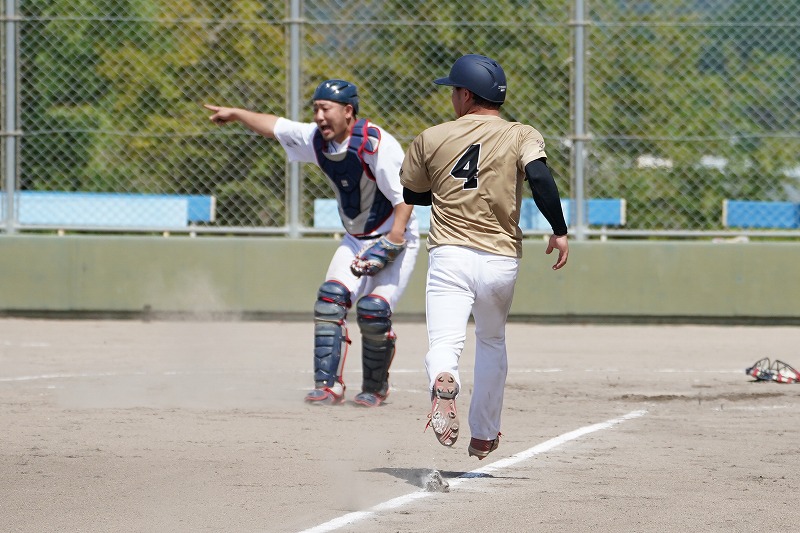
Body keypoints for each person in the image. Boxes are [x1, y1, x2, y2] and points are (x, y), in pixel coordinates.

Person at [205, 79, 420, 408]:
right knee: (330, 300)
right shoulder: (317, 139)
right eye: (316, 109)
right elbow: (275, 126)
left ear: (348, 111)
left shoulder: (375, 143)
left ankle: (376, 387)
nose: (319, 116)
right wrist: (236, 114)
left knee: (373, 310)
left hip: (397, 234)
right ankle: (328, 386)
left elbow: (406, 195)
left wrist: (394, 238)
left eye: (325, 109)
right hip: (356, 238)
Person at [400, 54, 569, 459]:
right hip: (500, 258)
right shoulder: (521, 133)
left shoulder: (432, 136)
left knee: (445, 341)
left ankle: (444, 379)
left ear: (466, 94)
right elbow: (540, 177)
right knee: (491, 340)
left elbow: (412, 194)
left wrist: (449, 189)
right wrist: (559, 230)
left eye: (454, 91)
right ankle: (484, 434)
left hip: (450, 254)